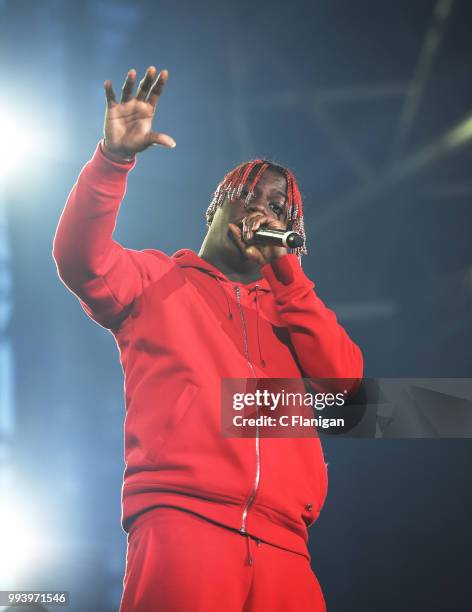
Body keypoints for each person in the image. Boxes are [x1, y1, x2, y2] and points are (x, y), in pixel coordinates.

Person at [52, 65, 363, 612]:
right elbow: (80, 259)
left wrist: (288, 278)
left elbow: (345, 384)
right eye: (257, 197)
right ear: (221, 203)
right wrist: (113, 159)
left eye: (283, 210)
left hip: (287, 549)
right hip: (183, 523)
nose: (268, 211)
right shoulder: (155, 279)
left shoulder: (292, 316)